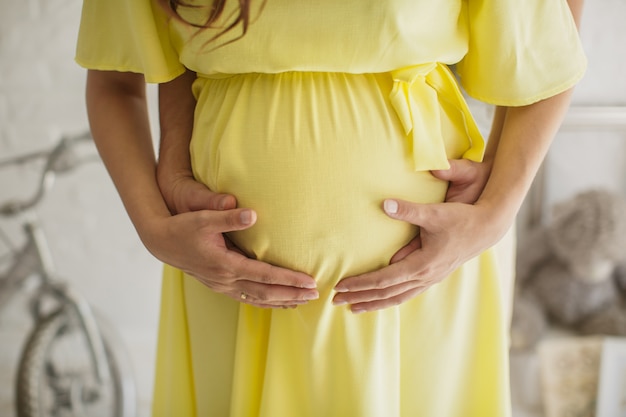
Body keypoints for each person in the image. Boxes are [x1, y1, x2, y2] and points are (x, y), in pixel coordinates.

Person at [75, 0, 585, 416]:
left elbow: (550, 58)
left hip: (420, 280)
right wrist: (153, 225)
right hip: (225, 284)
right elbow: (116, 83)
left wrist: (494, 214)